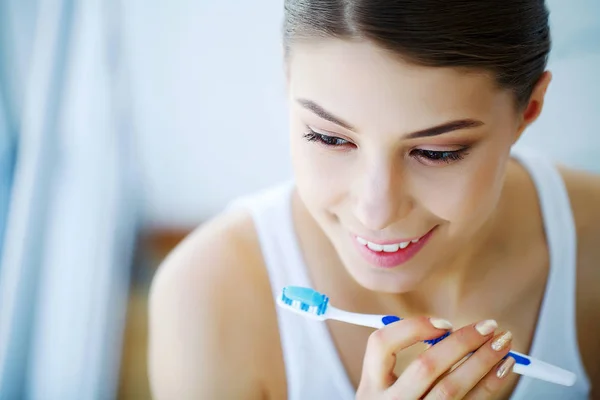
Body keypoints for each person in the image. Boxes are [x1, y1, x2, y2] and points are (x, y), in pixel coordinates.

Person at [147, 1, 600, 398]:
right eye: (328, 137)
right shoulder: (207, 295)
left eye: (435, 153)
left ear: (528, 109)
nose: (375, 211)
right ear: (288, 83)